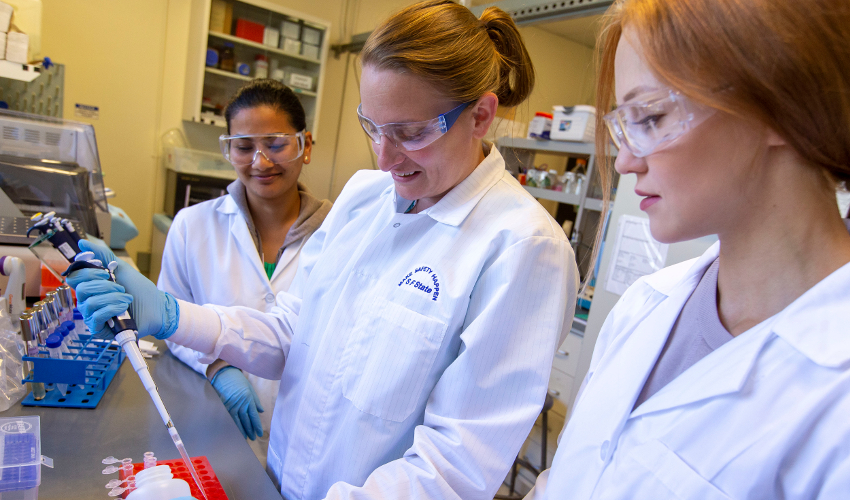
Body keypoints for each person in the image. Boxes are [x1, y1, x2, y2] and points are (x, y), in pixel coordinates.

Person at [68, 1, 579, 499]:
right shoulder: (366, 197)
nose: (385, 157)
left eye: (411, 133)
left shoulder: (523, 249)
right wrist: (177, 316)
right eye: (373, 127)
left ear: (482, 114)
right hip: (277, 479)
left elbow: (453, 468)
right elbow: (294, 329)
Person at [526, 0, 850, 498]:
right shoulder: (645, 305)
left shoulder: (836, 407)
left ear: (782, 107)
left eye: (651, 117)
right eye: (625, 126)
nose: (627, 161)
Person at [160, 79, 331, 467]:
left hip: (308, 434)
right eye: (244, 147)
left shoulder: (340, 233)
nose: (260, 162)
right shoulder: (192, 226)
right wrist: (217, 366)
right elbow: (171, 323)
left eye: (275, 144)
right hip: (215, 421)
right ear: (229, 149)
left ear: (305, 147)